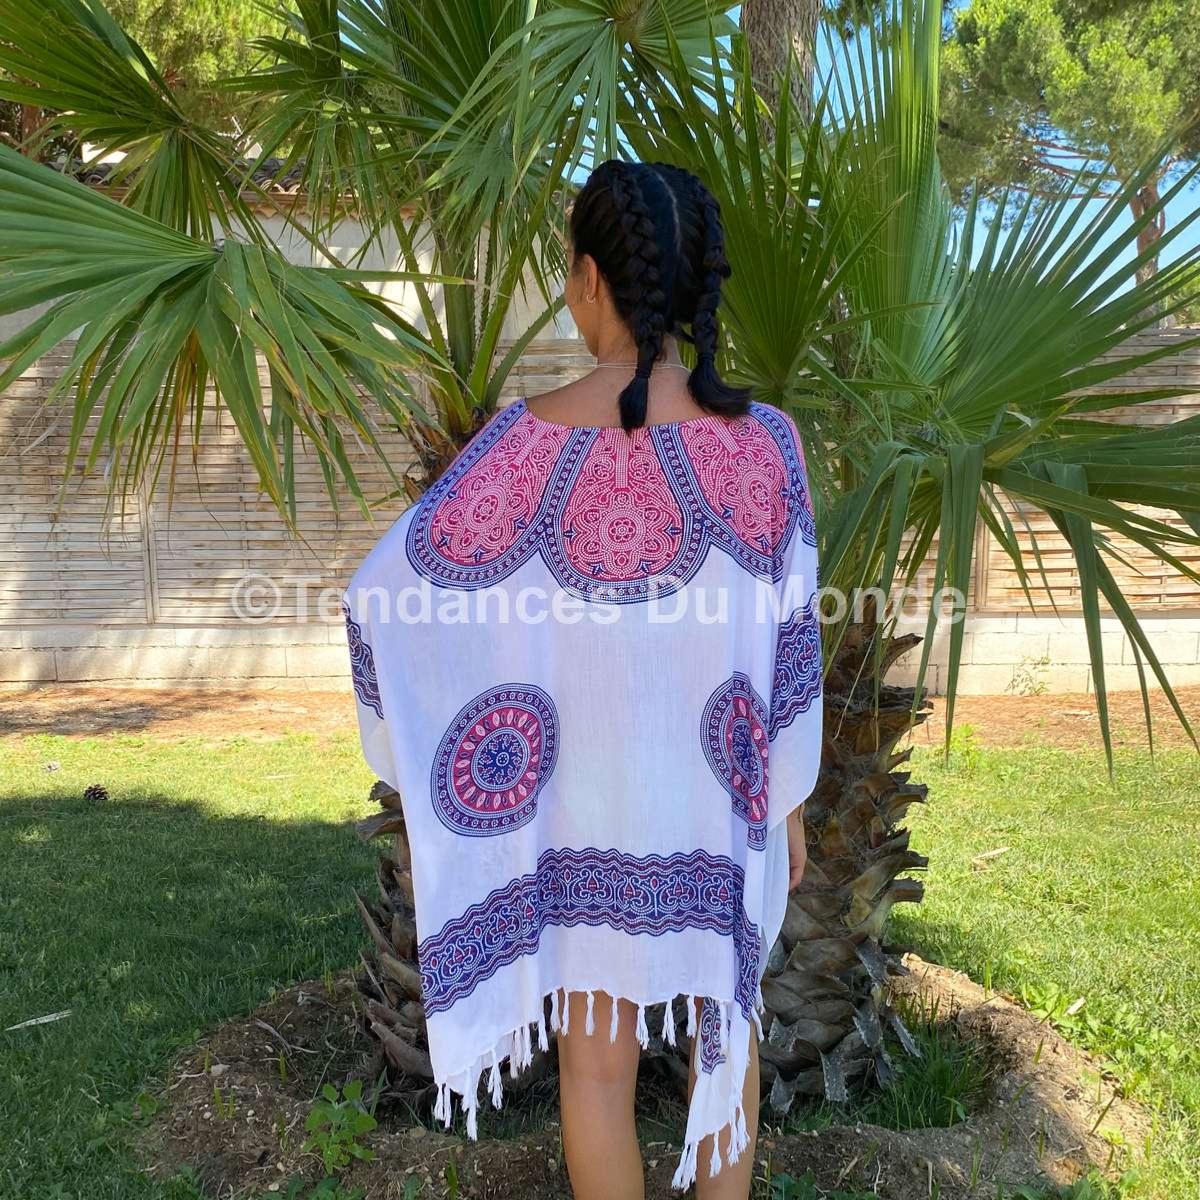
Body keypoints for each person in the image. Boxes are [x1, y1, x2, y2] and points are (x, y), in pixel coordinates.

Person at [343, 159, 822, 1199]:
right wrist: (786, 802)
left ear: (591, 278)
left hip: (579, 806)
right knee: (726, 1040)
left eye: (568, 265)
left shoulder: (518, 443)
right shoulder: (769, 445)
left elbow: (388, 595)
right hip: (720, 801)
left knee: (596, 1072)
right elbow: (788, 643)